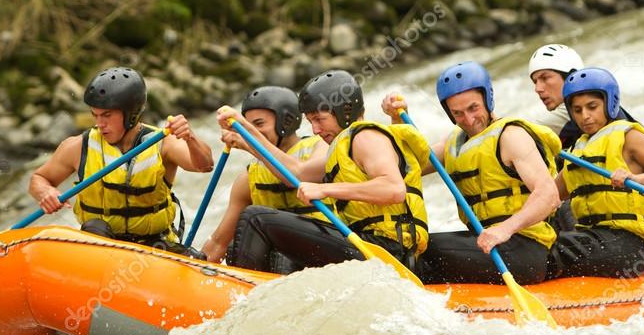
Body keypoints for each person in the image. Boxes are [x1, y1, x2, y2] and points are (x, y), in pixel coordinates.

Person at [218, 69, 431, 273]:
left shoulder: (365, 137)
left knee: (256, 218)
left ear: (344, 111)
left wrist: (326, 190)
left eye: (320, 119)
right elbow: (296, 173)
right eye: (311, 122)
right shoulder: (343, 149)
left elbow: (393, 189)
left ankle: (239, 289)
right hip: (367, 245)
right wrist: (247, 134)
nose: (315, 130)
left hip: (384, 250)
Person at [382, 61, 561, 285]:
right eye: (457, 113)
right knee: (411, 246)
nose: (468, 120)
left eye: (473, 108)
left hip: (525, 250)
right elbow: (409, 166)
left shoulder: (511, 136)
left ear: (488, 99)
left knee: (418, 253)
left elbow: (549, 195)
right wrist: (398, 118)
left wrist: (505, 230)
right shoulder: (454, 142)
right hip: (488, 246)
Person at [28, 66, 214, 254]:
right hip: (101, 245)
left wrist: (190, 137)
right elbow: (39, 178)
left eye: (107, 115)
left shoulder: (163, 143)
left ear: (131, 114)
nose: (100, 124)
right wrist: (45, 192)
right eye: (95, 115)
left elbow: (204, 165)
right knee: (95, 227)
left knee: (195, 258)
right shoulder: (77, 147)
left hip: (155, 245)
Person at [548, 67, 644, 280]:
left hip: (628, 245)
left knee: (556, 251)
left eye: (592, 107)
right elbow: (548, 196)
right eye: (577, 110)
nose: (585, 116)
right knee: (546, 242)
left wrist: (637, 179)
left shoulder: (629, 136)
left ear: (609, 103)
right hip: (592, 238)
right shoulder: (576, 151)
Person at [201, 85, 328, 263]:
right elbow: (218, 242)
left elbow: (299, 175)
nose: (251, 132)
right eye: (248, 125)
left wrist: (248, 141)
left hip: (320, 250)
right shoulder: (249, 177)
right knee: (233, 247)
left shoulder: (321, 146)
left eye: (259, 124)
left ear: (286, 121)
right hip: (276, 259)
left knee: (276, 249)